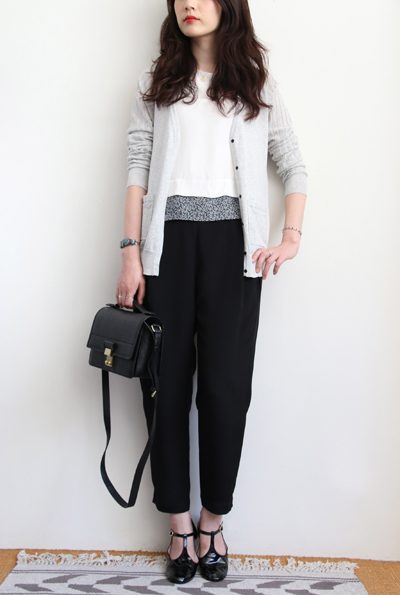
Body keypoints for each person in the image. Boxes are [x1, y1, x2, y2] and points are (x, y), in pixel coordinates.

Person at [116, 0, 307, 585]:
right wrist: (130, 252)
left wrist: (290, 238)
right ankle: (178, 524)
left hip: (234, 250)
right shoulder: (157, 82)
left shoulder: (255, 82)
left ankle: (213, 522)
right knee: (164, 389)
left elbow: (293, 163)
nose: (188, 4)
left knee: (225, 391)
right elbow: (138, 166)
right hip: (165, 249)